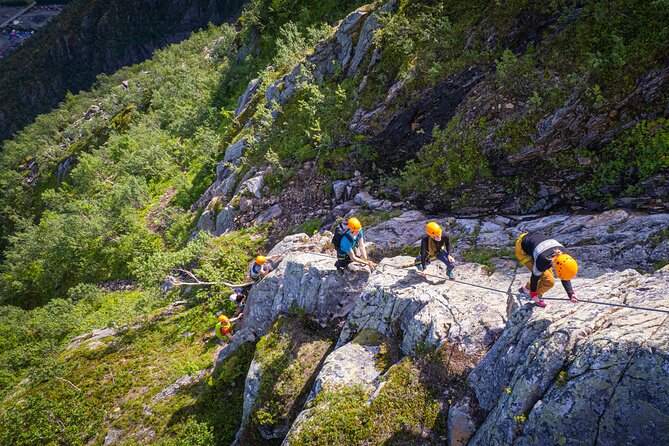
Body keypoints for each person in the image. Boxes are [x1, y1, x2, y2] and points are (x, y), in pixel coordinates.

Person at [515, 232, 579, 307]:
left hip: (534, 239)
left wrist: (571, 293)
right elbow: (535, 277)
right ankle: (531, 295)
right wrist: (533, 294)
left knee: (545, 275)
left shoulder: (566, 256)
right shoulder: (543, 261)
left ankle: (525, 289)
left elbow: (565, 274)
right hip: (522, 248)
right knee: (548, 281)